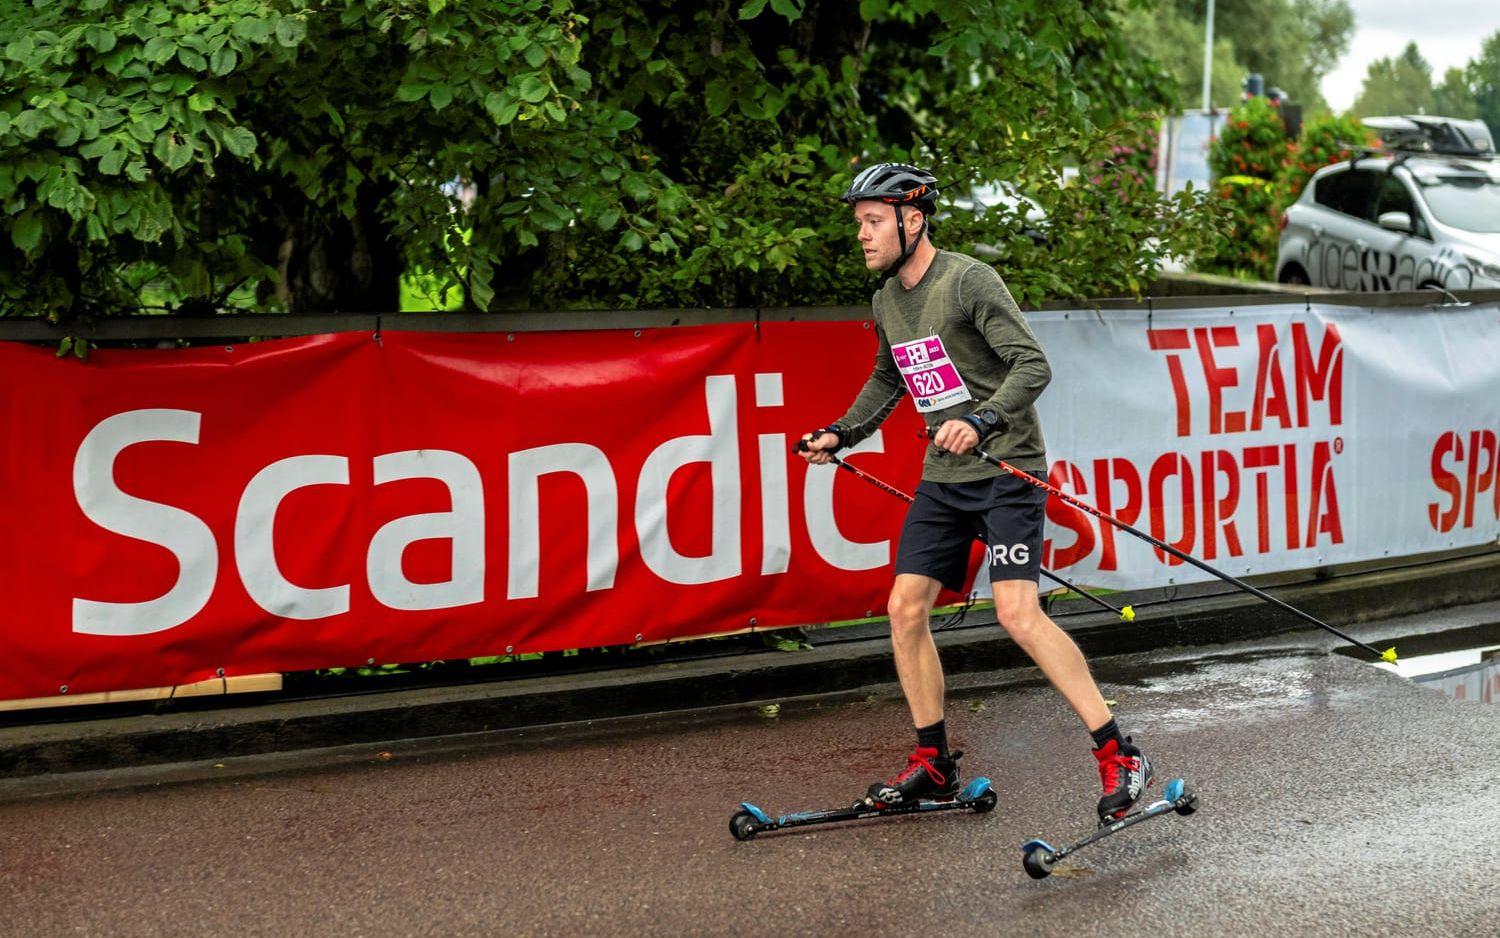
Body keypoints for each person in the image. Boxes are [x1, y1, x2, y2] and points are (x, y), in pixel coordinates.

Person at [798, 162, 1151, 824]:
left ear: (913, 219)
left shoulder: (967, 281)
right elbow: (888, 378)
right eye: (859, 225)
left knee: (1018, 614)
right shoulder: (886, 303)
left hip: (1006, 468)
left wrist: (983, 418)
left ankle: (1118, 753)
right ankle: (932, 762)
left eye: (873, 223)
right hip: (945, 477)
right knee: (905, 609)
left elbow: (1032, 364)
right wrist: (841, 433)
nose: (863, 237)